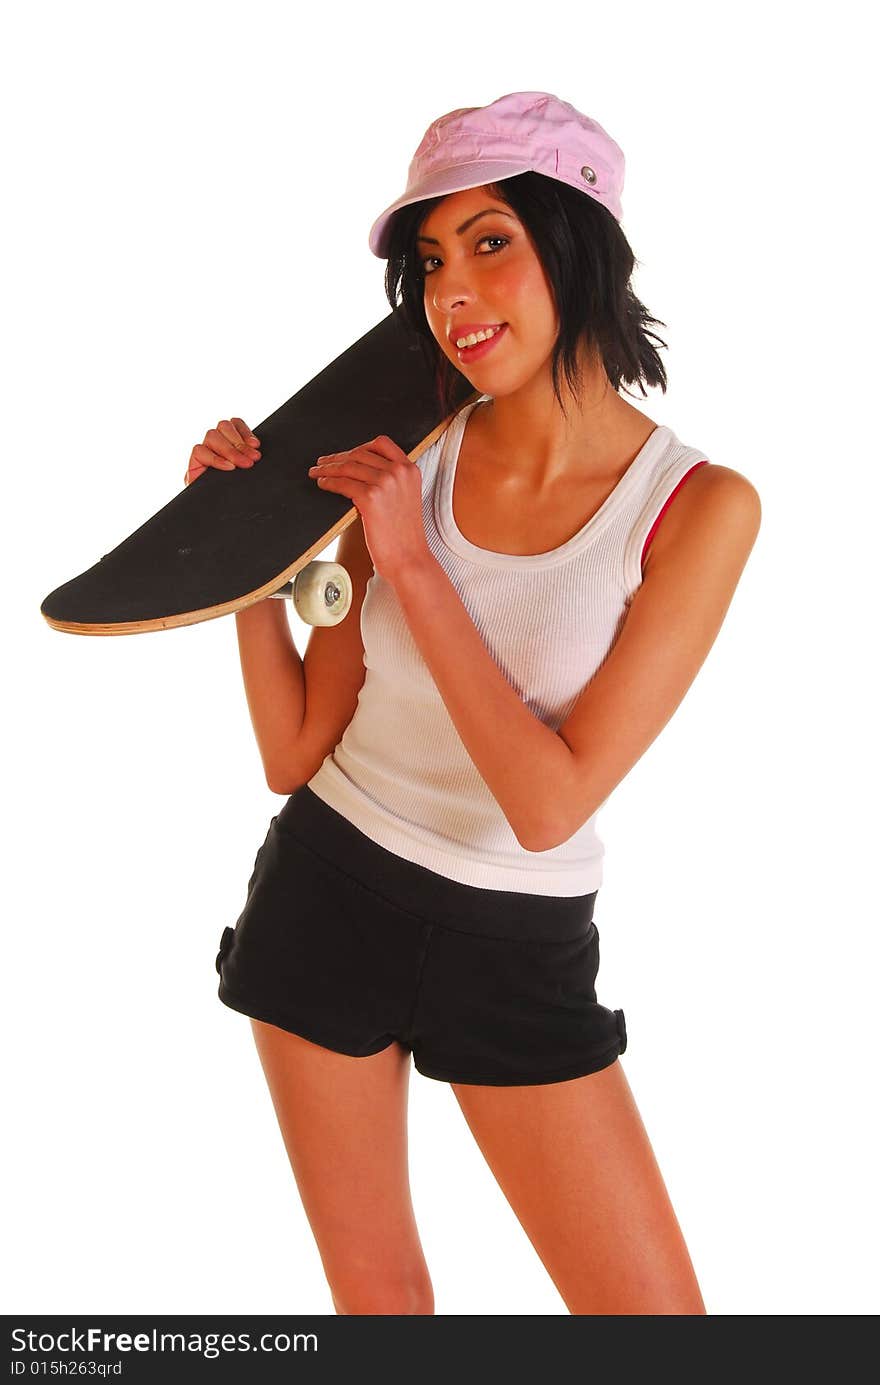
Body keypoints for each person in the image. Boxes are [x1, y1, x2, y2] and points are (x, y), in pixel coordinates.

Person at [187, 91, 761, 1315]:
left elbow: (549, 805)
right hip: (324, 895)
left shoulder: (696, 507)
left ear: (579, 242)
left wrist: (410, 563)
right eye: (431, 260)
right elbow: (296, 751)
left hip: (513, 946)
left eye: (490, 241)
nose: (452, 291)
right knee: (380, 1305)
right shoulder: (406, 453)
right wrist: (243, 547)